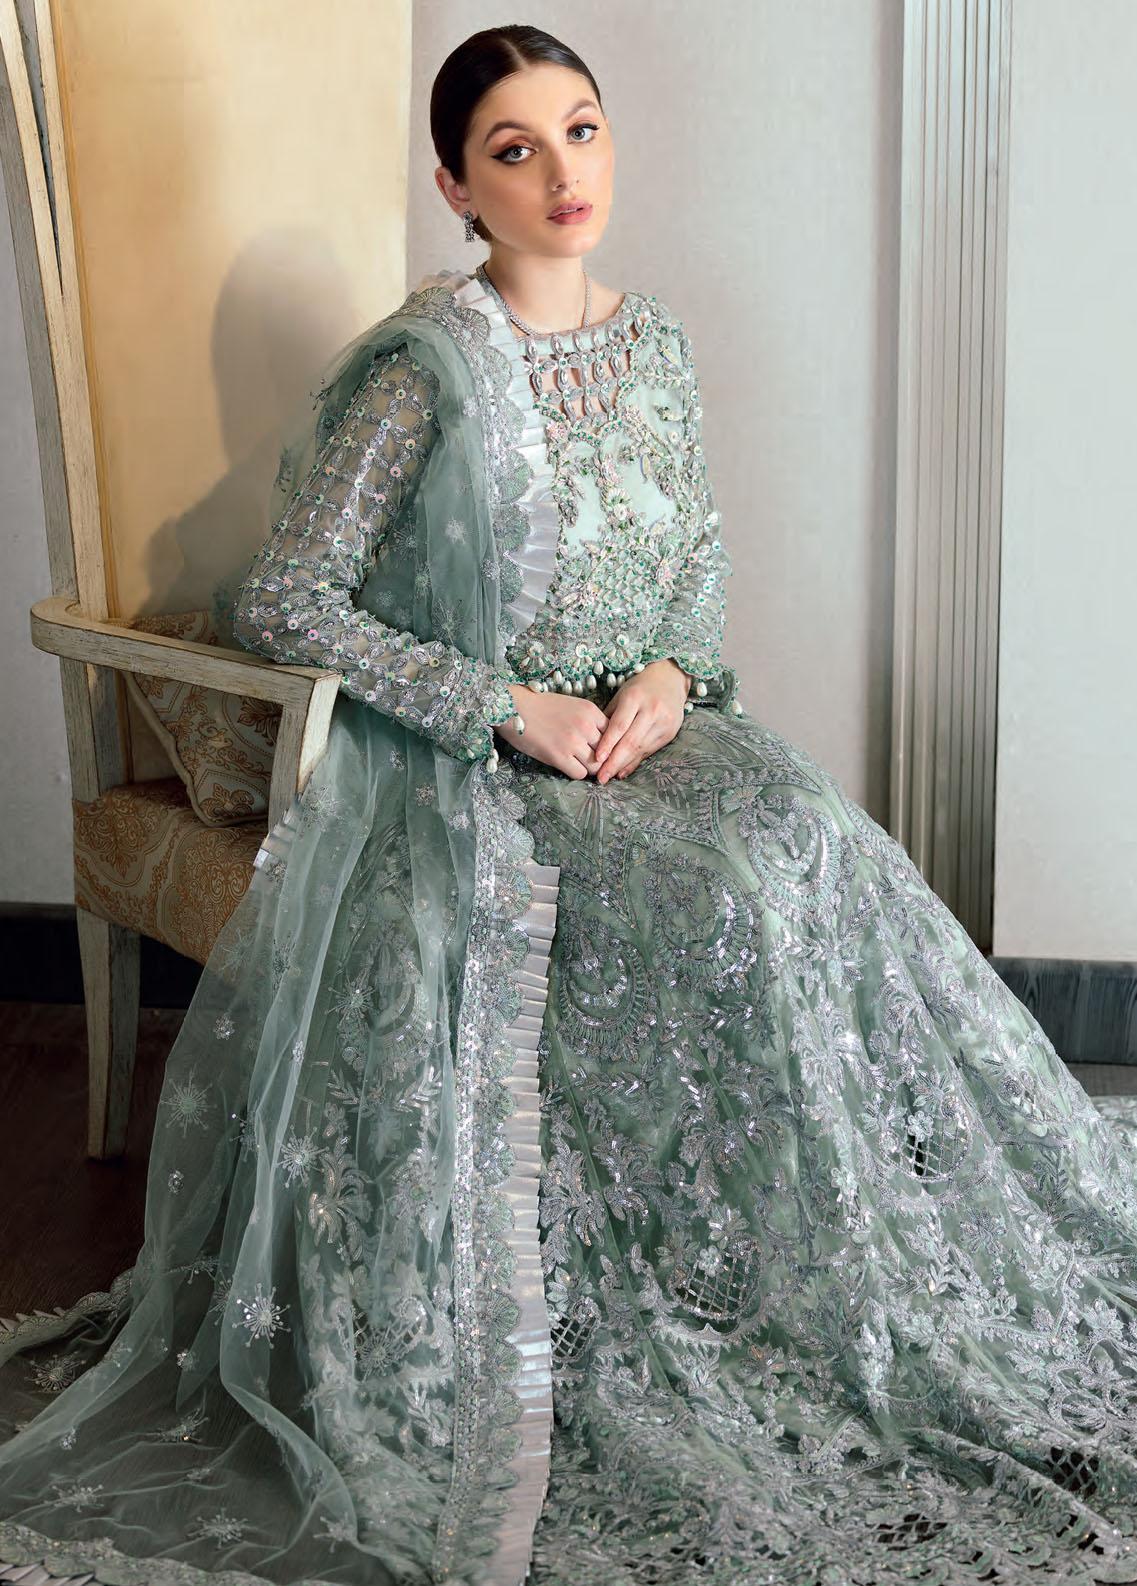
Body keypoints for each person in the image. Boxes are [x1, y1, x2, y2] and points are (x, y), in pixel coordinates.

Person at [3, 22, 1137, 1586]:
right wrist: (501, 703)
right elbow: (290, 599)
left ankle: (849, 1272)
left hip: (645, 732)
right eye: (514, 148)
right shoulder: (424, 374)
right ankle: (673, 1310)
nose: (560, 172)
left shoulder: (654, 343)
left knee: (811, 845)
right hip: (476, 769)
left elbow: (695, 567)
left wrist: (668, 676)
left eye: (581, 130)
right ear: (455, 184)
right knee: (719, 899)